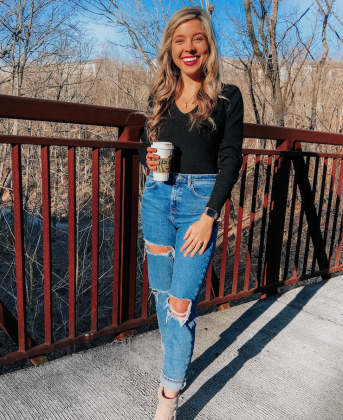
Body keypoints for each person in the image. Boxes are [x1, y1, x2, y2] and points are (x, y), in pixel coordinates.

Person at [139, 6, 244, 420]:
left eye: (196, 39)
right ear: (171, 48)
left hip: (199, 205)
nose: (188, 47)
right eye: (180, 40)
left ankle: (167, 399)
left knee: (181, 305)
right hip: (157, 199)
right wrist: (148, 159)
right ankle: (174, 370)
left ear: (207, 44)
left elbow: (231, 159)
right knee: (162, 297)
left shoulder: (227, 96)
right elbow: (152, 151)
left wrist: (210, 215)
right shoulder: (159, 97)